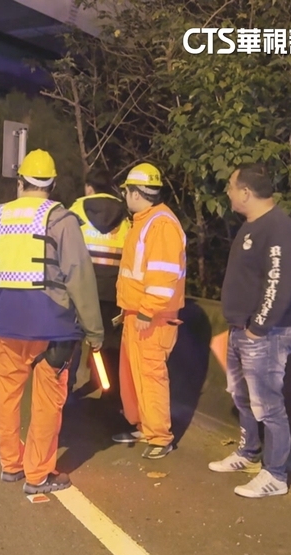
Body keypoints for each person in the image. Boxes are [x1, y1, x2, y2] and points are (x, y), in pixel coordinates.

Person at [0, 149, 104, 494]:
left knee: (5, 397)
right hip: (53, 328)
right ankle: (38, 474)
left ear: (20, 182)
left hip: (6, 325)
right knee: (47, 401)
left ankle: (10, 465)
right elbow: (79, 277)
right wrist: (93, 330)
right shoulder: (61, 220)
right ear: (52, 185)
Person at [210, 163, 291, 498]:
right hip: (241, 330)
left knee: (268, 405)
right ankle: (248, 453)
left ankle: (275, 474)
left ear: (246, 192)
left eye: (232, 186)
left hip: (265, 334)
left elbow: (279, 283)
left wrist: (258, 328)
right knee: (243, 398)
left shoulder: (278, 228)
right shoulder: (250, 226)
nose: (229, 192)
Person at [113, 163, 187, 459]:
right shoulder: (145, 221)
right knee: (136, 376)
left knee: (151, 376)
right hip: (139, 313)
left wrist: (145, 311)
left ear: (134, 193)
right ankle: (146, 427)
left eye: (126, 191)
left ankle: (160, 437)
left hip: (152, 317)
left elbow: (163, 274)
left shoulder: (160, 224)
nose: (125, 197)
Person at [69, 168, 131, 398]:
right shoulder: (126, 216)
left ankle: (65, 390)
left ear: (89, 187)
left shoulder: (75, 212)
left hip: (79, 289)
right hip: (114, 290)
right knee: (110, 342)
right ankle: (111, 393)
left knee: (72, 340)